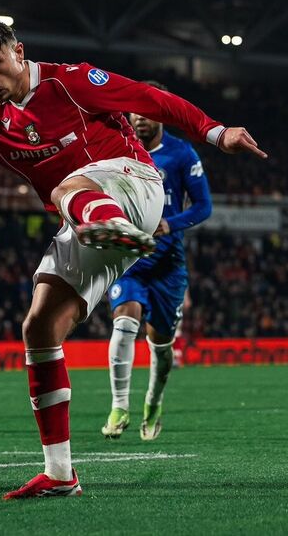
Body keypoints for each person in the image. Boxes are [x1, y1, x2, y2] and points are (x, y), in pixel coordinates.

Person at [0, 17, 265, 499]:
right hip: (83, 218)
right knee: (39, 327)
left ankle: (111, 225)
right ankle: (60, 473)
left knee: (64, 190)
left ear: (18, 51)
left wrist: (215, 132)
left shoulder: (70, 81)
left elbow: (149, 99)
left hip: (135, 184)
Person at [101, 83, 211, 441]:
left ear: (161, 115)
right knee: (123, 321)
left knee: (160, 345)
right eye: (134, 113)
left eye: (147, 114)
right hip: (129, 260)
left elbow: (203, 207)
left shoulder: (181, 154)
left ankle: (153, 401)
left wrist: (170, 224)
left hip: (167, 264)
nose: (139, 120)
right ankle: (119, 406)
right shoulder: (117, 150)